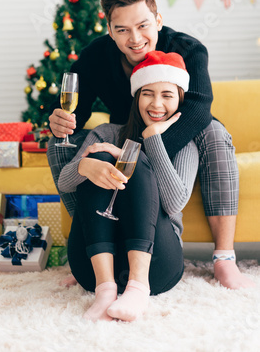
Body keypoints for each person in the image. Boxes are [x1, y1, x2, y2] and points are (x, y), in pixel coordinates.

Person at [48, 0, 254, 290]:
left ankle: (224, 258)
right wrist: (60, 120)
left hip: (176, 132)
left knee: (215, 131)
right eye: (122, 30)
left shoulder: (189, 48)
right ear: (109, 29)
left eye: (143, 25)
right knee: (58, 143)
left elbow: (198, 110)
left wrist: (140, 156)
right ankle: (93, 243)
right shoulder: (95, 57)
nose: (135, 39)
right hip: (125, 131)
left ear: (158, 20)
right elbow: (76, 111)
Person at [57, 51, 199, 322]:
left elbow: (175, 203)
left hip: (157, 265)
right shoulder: (107, 132)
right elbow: (65, 183)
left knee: (135, 157)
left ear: (179, 100)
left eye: (167, 95)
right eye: (148, 93)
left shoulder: (185, 144)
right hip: (92, 267)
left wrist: (152, 140)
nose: (156, 104)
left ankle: (137, 288)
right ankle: (105, 290)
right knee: (97, 156)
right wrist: (83, 166)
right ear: (136, 97)